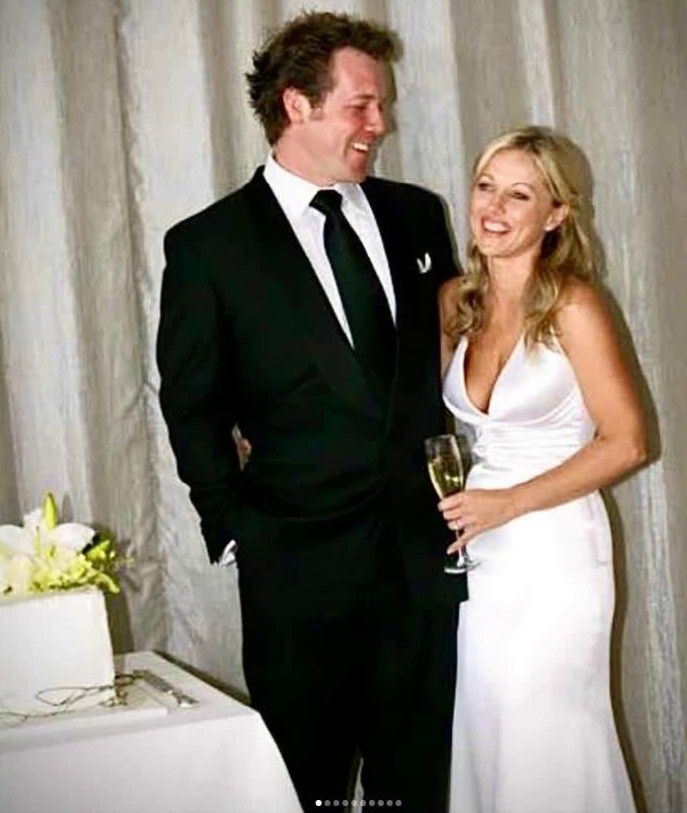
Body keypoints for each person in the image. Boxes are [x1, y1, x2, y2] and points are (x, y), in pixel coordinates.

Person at [157, 11, 465, 812]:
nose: (379, 123)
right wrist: (235, 527)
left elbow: (444, 364)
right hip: (294, 576)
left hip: (419, 569)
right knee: (308, 791)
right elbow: (191, 405)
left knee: (415, 791)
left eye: (380, 104)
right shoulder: (208, 246)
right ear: (297, 104)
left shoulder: (415, 214)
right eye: (362, 105)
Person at [438, 126, 646, 812]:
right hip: (482, 559)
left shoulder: (573, 306)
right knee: (489, 734)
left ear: (555, 214)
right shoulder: (455, 302)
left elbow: (627, 443)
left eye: (519, 195)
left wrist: (507, 502)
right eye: (485, 186)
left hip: (556, 553)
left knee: (545, 743)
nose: (493, 208)